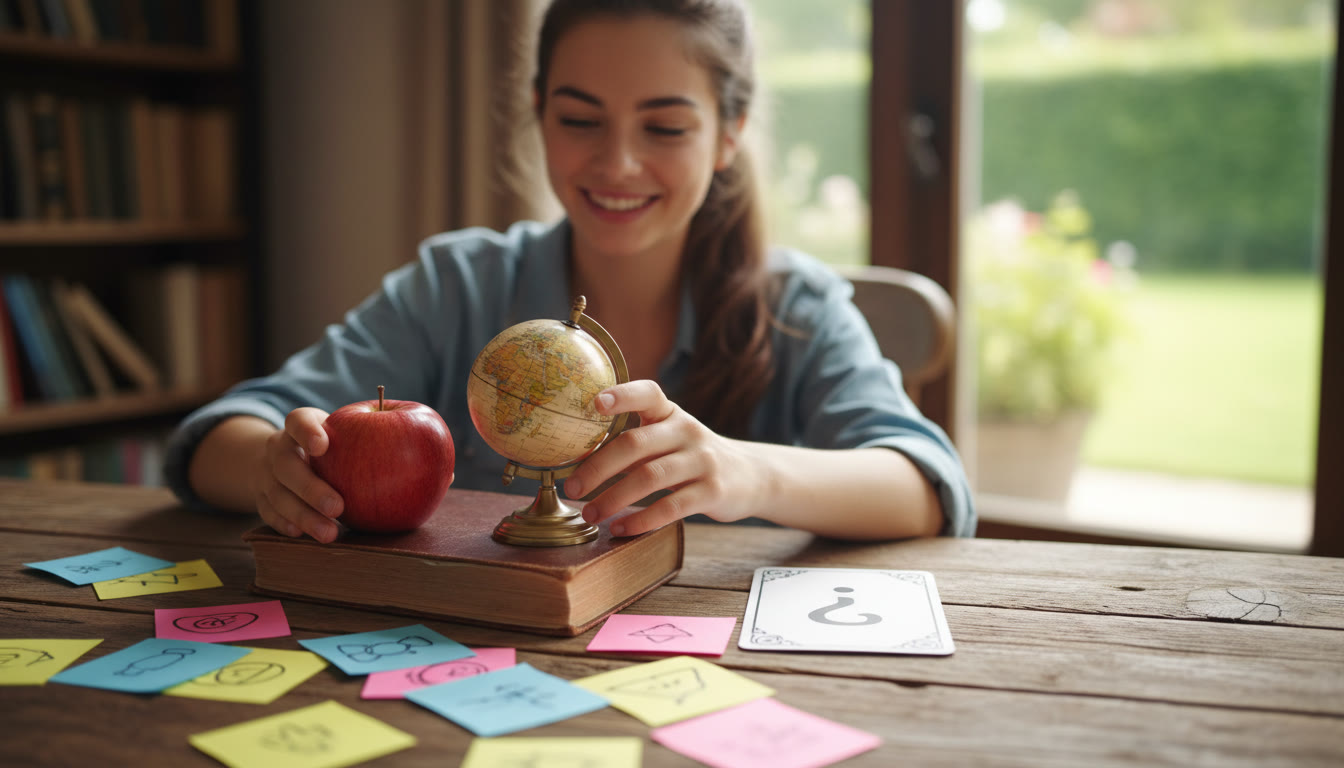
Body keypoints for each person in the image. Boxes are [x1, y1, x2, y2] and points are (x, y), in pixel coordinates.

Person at [165, 0, 976, 544]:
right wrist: (277, 468)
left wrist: (745, 469)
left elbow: (927, 487)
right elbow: (214, 440)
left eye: (664, 127)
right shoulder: (458, 285)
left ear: (729, 133)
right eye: (580, 119)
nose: (617, 164)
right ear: (539, 110)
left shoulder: (793, 304)